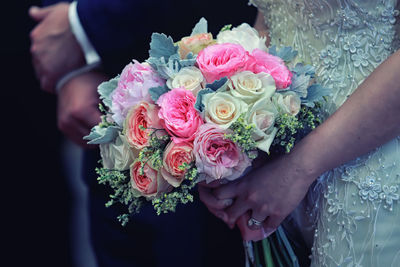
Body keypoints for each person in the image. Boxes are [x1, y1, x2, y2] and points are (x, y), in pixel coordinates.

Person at [29, 1, 258, 266]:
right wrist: (75, 65)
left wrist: (84, 25)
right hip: (108, 120)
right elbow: (65, 36)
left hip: (226, 165)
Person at [199, 1, 400, 266]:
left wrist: (299, 167)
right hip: (275, 171)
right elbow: (274, 18)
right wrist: (233, 154)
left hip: (368, 173)